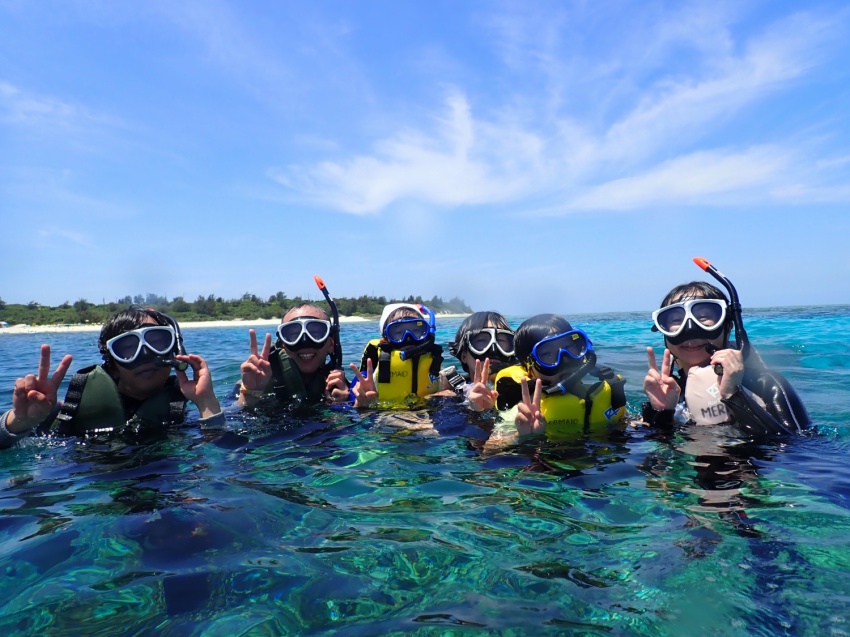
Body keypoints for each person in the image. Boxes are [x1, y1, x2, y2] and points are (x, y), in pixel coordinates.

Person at [0, 306, 223, 448]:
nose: (145, 355)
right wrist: (20, 422)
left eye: (157, 342)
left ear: (175, 353)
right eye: (127, 348)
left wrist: (206, 401)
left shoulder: (189, 411)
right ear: (113, 365)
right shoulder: (63, 414)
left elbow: (222, 455)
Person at [642, 276, 810, 436]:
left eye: (704, 317)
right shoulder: (670, 391)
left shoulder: (765, 384)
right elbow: (659, 449)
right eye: (675, 321)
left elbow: (797, 448)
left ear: (728, 327)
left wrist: (734, 396)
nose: (690, 328)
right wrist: (662, 413)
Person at [493, 314, 627, 440]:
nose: (565, 360)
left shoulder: (602, 394)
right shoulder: (522, 412)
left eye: (570, 347)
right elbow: (490, 450)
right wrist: (521, 436)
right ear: (529, 369)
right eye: (546, 354)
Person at [237, 303, 349, 410]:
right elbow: (225, 425)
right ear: (283, 345)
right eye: (294, 335)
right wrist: (250, 393)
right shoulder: (251, 383)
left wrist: (345, 405)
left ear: (330, 344)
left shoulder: (348, 389)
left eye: (315, 333)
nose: (305, 341)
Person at [350, 303, 443, 408]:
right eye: (398, 333)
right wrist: (362, 403)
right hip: (385, 420)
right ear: (385, 337)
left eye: (417, 331)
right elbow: (352, 408)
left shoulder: (434, 360)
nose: (408, 338)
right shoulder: (368, 376)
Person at [443, 311, 517, 411]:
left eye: (501, 341)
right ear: (464, 355)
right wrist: (474, 410)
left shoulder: (524, 391)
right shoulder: (449, 396)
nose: (494, 350)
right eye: (482, 341)